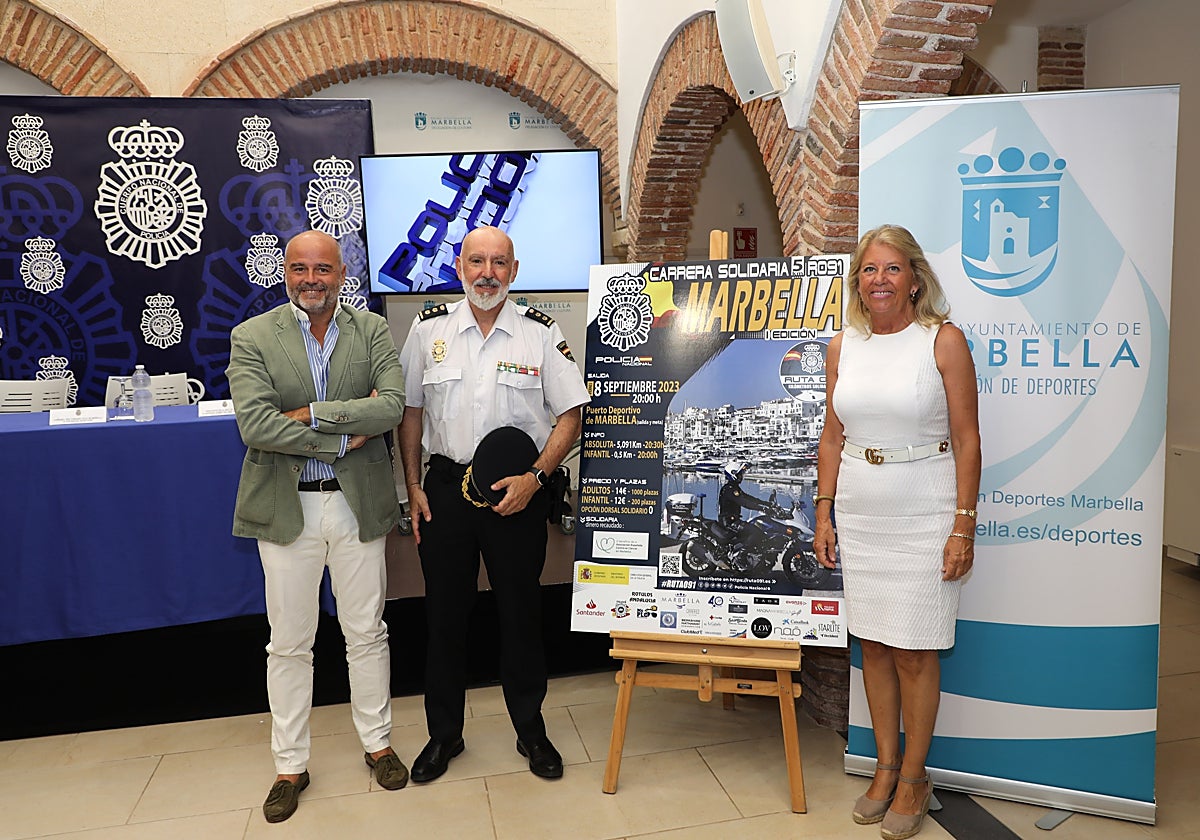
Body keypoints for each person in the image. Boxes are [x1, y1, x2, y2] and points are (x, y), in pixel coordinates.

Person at [227, 229, 409, 823]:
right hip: (287, 509)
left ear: (341, 274)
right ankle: (290, 765)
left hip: (358, 507)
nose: (312, 279)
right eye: (300, 269)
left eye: (323, 269)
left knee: (367, 631)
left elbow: (391, 407)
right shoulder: (252, 336)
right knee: (289, 641)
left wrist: (312, 416)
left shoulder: (372, 330)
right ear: (286, 273)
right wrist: (340, 438)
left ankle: (377, 745)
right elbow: (255, 425)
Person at [398, 225, 588, 783]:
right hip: (445, 494)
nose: (487, 272)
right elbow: (410, 412)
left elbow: (571, 414)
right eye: (476, 261)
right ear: (459, 267)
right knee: (444, 619)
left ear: (514, 270)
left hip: (517, 494)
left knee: (521, 616)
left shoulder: (540, 334)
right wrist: (411, 486)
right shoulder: (428, 330)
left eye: (498, 263)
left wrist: (537, 476)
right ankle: (443, 736)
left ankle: (531, 730)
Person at [812, 225, 980, 840]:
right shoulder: (843, 347)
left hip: (925, 507)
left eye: (891, 269)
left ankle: (915, 775)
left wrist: (963, 524)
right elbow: (833, 437)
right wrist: (824, 511)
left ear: (914, 278)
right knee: (874, 646)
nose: (878, 280)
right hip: (861, 507)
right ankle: (884, 769)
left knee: (915, 649)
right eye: (867, 270)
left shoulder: (943, 341)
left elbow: (967, 439)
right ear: (857, 281)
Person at [717, 459, 777, 570]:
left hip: (733, 520)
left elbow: (748, 498)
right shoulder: (729, 490)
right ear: (733, 474)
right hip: (730, 523)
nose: (742, 476)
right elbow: (744, 503)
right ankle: (741, 556)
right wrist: (762, 508)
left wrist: (766, 504)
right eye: (740, 474)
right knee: (756, 532)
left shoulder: (733, 488)